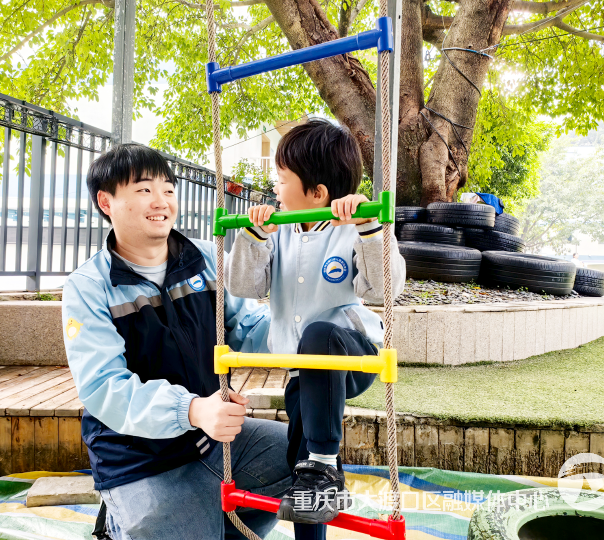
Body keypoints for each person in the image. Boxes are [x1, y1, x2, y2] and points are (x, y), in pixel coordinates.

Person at [61, 144, 293, 540]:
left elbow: (246, 326)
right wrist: (192, 409)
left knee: (303, 458)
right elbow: (104, 387)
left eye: (168, 190)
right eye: (143, 190)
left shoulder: (204, 257)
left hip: (212, 441)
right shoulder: (89, 286)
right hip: (139, 460)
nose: (161, 201)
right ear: (106, 202)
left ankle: (229, 529)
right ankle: (119, 523)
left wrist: (308, 335)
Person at [225, 119, 406, 538]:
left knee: (319, 334)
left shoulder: (352, 228)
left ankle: (324, 465)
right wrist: (253, 236)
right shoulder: (279, 231)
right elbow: (243, 286)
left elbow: (385, 289)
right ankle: (320, 478)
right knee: (302, 472)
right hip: (302, 369)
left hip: (352, 355)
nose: (274, 188)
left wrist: (368, 228)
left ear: (318, 193)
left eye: (282, 179)